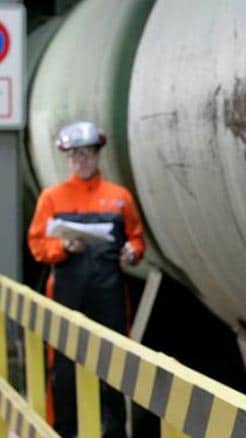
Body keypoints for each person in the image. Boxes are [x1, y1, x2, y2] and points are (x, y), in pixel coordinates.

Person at [28, 121, 145, 438]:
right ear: (67, 158)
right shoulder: (52, 198)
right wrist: (64, 247)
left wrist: (131, 254)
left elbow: (136, 239)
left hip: (109, 294)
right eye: (75, 155)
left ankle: (115, 432)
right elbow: (37, 244)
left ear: (97, 155)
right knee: (63, 369)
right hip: (67, 294)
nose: (82, 160)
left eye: (87, 153)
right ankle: (63, 431)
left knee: (114, 366)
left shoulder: (119, 198)